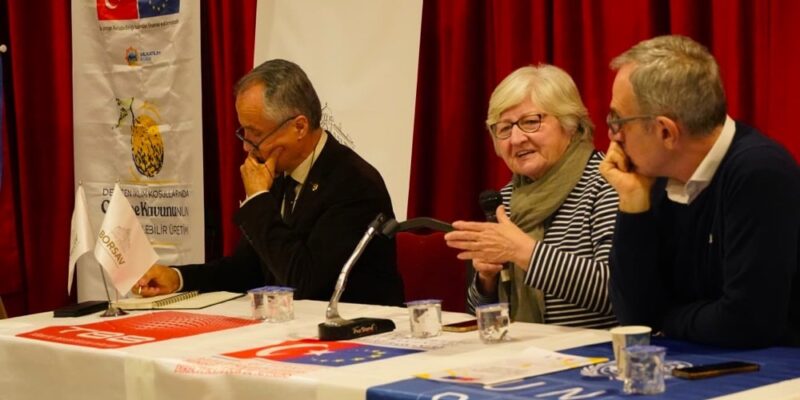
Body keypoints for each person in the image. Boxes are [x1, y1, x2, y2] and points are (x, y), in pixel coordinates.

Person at [134, 59, 404, 306]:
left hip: (357, 331)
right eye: (244, 132)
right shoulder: (279, 172)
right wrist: (178, 278)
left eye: (255, 134)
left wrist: (259, 201)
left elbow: (304, 283)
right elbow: (246, 270)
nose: (247, 147)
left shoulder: (353, 184)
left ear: (299, 127)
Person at [600, 35, 800, 347]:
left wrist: (664, 318)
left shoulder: (759, 173)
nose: (614, 136)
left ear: (666, 132)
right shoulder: (658, 177)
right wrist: (632, 201)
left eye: (618, 120)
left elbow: (747, 322)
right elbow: (635, 318)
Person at [444, 65, 619, 328]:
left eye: (530, 122)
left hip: (598, 349)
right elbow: (479, 314)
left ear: (570, 124)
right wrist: (486, 280)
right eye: (504, 128)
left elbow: (619, 290)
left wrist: (523, 251)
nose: (516, 139)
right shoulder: (504, 200)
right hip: (521, 347)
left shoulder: (607, 183)